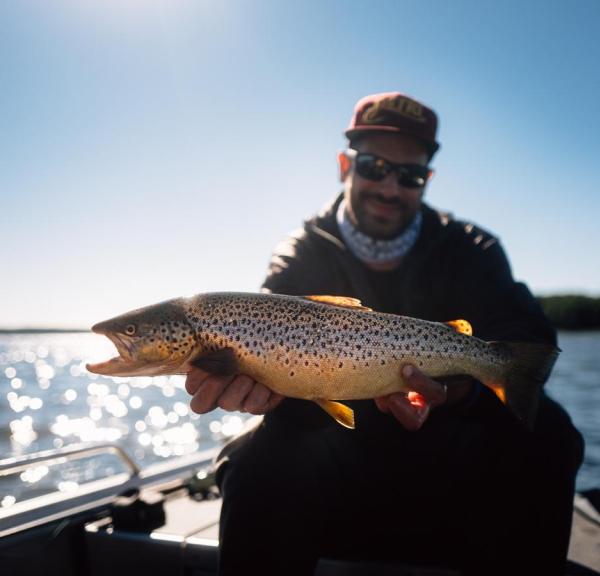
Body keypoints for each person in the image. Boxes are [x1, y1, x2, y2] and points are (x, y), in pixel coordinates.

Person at [185, 92, 584, 575]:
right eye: (374, 167)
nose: (391, 187)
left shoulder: (472, 248)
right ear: (343, 164)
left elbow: (524, 340)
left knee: (551, 432)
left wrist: (456, 393)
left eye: (409, 175)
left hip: (452, 456)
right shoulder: (301, 251)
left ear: (427, 180)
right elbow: (266, 351)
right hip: (336, 456)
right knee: (252, 458)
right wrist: (253, 386)